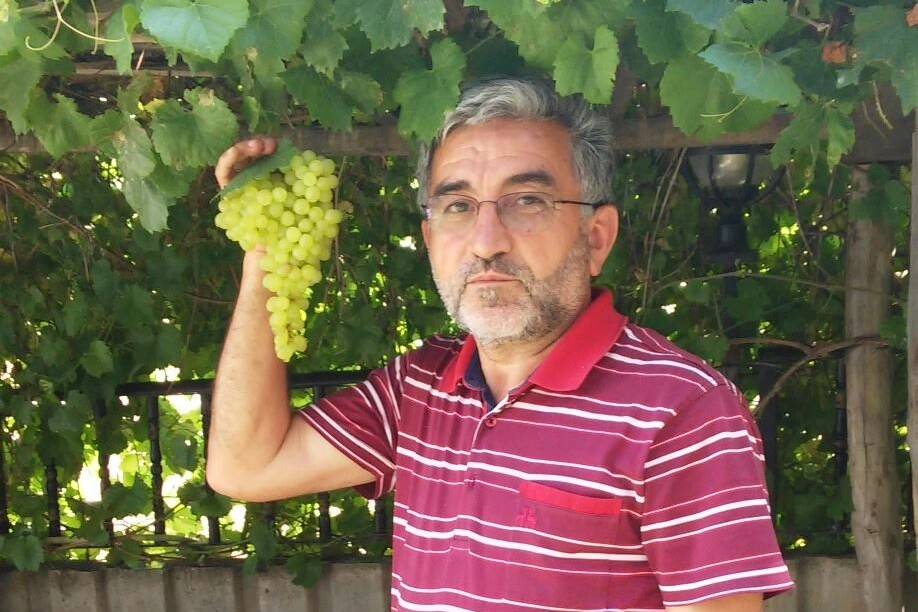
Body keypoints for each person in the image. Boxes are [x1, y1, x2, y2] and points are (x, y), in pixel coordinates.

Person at [207, 75, 794, 612]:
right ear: (430, 239)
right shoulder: (417, 389)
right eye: (458, 206)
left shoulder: (683, 409)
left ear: (595, 237)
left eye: (527, 201)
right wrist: (265, 252)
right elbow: (246, 467)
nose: (486, 241)